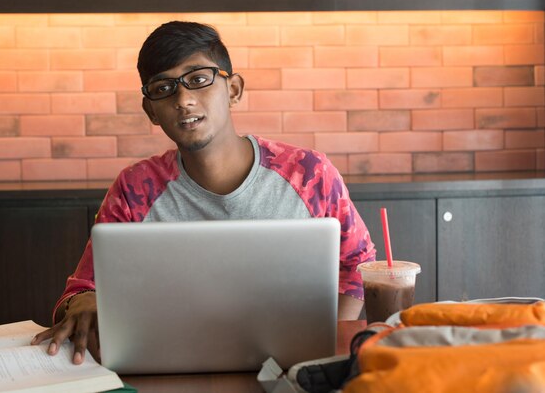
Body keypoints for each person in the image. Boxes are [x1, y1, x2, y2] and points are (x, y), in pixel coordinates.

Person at [31, 21, 376, 365]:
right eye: (164, 88)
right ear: (151, 110)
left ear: (234, 90)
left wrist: (321, 346)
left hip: (292, 368)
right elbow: (80, 289)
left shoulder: (309, 173)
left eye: (198, 79)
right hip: (167, 368)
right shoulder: (135, 188)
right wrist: (84, 301)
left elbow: (359, 264)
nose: (184, 100)